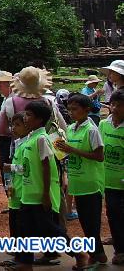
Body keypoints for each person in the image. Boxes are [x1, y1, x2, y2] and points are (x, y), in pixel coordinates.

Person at [17, 100, 92, 271]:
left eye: (29, 115)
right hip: (28, 193)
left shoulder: (42, 139)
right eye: (25, 114)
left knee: (50, 228)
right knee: (26, 228)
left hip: (39, 194)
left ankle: (79, 254)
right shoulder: (30, 138)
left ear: (40, 120)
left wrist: (45, 195)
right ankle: (26, 263)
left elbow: (45, 166)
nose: (25, 118)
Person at [56, 93, 106, 265]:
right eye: (69, 109)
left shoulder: (92, 130)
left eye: (75, 109)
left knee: (92, 223)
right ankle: (97, 255)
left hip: (91, 183)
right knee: (85, 222)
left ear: (86, 110)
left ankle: (97, 256)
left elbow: (99, 156)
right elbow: (67, 152)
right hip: (77, 183)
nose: (71, 112)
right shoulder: (71, 129)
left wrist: (72, 150)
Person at [0, 112, 29, 268]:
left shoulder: (29, 143)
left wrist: (10, 167)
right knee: (15, 223)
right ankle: (18, 256)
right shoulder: (17, 143)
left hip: (25, 191)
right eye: (12, 125)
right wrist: (9, 186)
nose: (13, 128)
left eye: (18, 125)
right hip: (15, 190)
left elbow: (28, 168)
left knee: (22, 225)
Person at [99, 87, 124, 265]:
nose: (115, 108)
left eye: (120, 106)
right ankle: (120, 250)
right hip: (109, 180)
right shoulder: (103, 124)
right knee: (113, 214)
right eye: (113, 104)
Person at [0, 70, 16, 195]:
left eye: (1, 83)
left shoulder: (12, 100)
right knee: (6, 170)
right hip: (6, 140)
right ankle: (11, 199)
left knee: (8, 170)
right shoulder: (7, 99)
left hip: (8, 141)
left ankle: (13, 200)